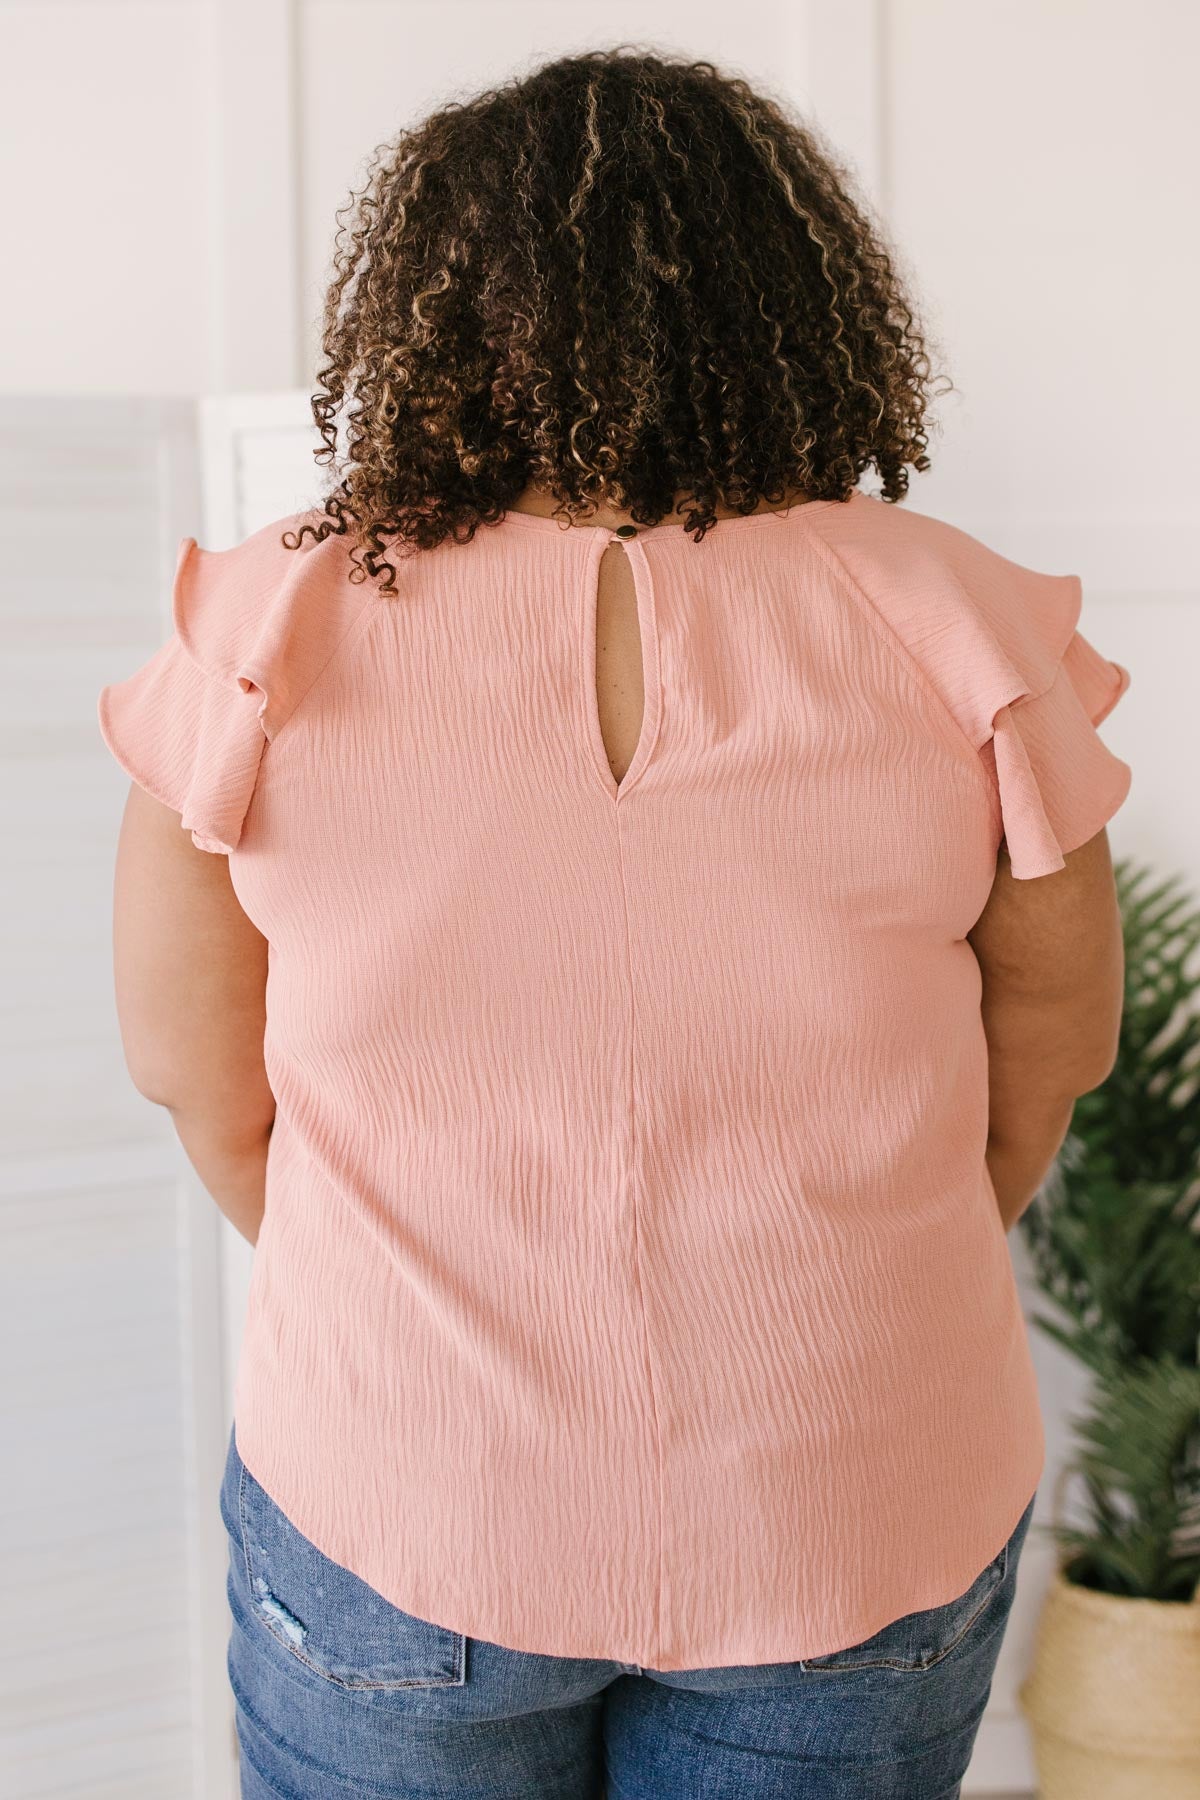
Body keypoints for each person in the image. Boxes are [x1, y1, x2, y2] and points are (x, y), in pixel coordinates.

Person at [97, 46, 1133, 1800]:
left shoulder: (275, 620)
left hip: (402, 1490)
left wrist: (415, 1300)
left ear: (424, 310)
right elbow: (1050, 1052)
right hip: (855, 1486)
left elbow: (197, 1079)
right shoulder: (947, 620)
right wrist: (860, 1277)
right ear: (795, 302)